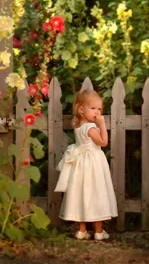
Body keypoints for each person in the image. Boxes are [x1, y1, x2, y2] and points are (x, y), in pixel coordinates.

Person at [54, 89, 118, 240]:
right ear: (81, 109)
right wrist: (102, 125)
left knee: (81, 193)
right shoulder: (90, 127)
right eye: (93, 108)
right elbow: (103, 142)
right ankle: (98, 231)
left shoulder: (78, 126)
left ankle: (82, 231)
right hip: (93, 164)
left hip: (81, 164)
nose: (97, 112)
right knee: (96, 193)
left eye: (99, 109)